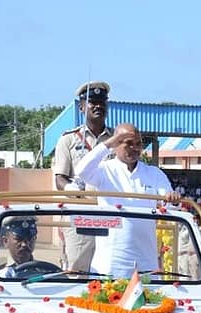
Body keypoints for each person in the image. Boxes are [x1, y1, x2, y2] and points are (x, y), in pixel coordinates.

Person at [73, 123, 180, 277]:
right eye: (128, 143)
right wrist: (109, 143)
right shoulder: (104, 170)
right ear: (115, 144)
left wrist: (173, 200)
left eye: (138, 144)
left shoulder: (153, 173)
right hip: (110, 263)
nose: (134, 148)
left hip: (146, 261)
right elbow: (81, 170)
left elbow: (170, 205)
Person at [52, 81, 112, 272]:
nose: (98, 106)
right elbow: (59, 178)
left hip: (109, 213)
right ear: (81, 107)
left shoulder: (115, 140)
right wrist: (69, 188)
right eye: (92, 102)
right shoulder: (68, 139)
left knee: (109, 269)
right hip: (80, 212)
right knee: (79, 267)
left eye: (102, 103)